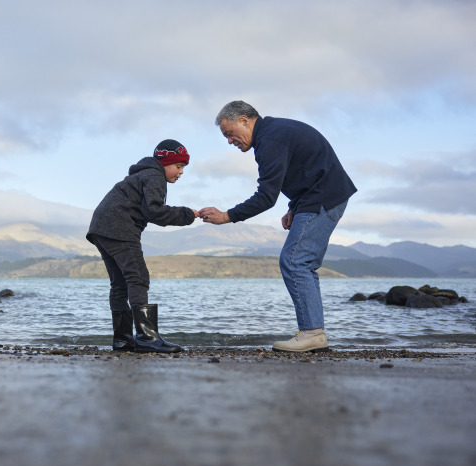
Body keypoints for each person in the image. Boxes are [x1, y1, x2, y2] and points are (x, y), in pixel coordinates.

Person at [199, 101, 357, 352]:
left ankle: (313, 333)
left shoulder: (270, 139)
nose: (229, 141)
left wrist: (226, 216)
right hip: (318, 196)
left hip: (323, 196)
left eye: (229, 134)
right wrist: (294, 206)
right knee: (300, 261)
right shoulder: (273, 133)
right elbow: (306, 168)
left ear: (244, 120)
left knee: (296, 260)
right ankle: (313, 332)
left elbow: (266, 197)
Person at [87, 139, 199, 353]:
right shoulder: (154, 176)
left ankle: (123, 340)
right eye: (178, 166)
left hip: (100, 226)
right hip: (118, 225)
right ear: (165, 162)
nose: (181, 172)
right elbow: (155, 211)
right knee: (137, 277)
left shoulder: (143, 174)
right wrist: (186, 214)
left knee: (120, 283)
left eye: (183, 167)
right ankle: (147, 338)